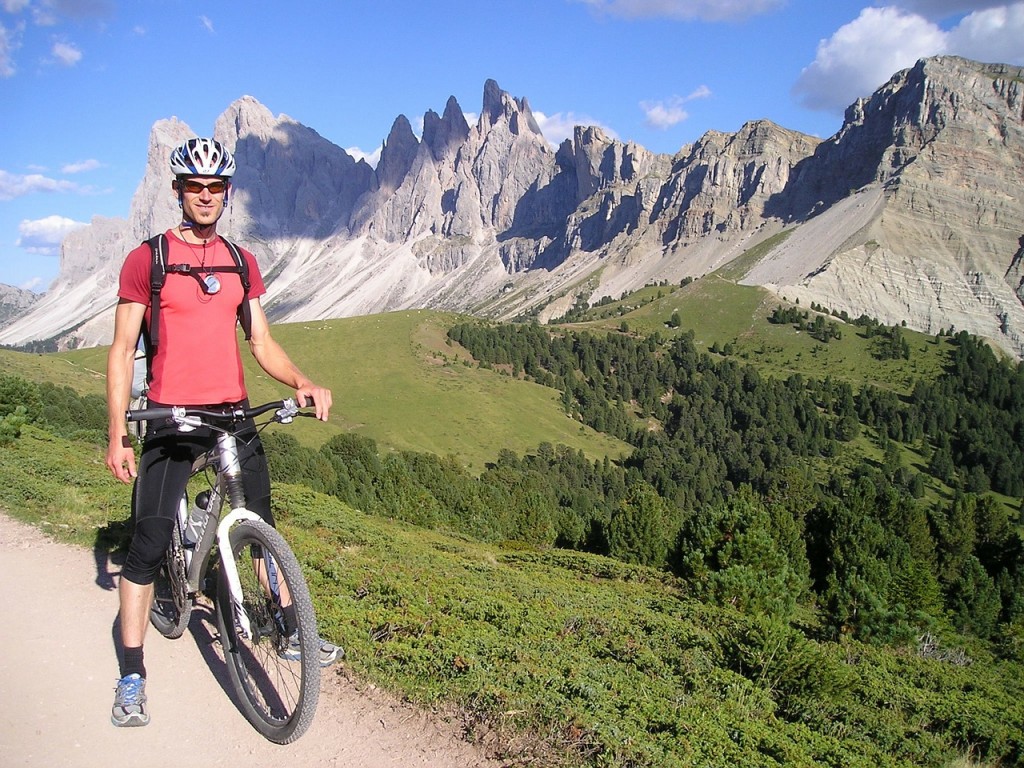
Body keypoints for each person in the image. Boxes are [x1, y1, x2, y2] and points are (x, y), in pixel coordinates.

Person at [105, 137, 341, 728]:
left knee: (259, 521)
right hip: (168, 418)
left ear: (227, 194)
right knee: (148, 544)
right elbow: (120, 351)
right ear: (180, 191)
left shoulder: (241, 260)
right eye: (195, 188)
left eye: (215, 189)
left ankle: (291, 631)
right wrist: (117, 434)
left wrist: (303, 381)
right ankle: (131, 673)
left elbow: (260, 343)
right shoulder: (148, 259)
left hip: (231, 413)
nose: (206, 197)